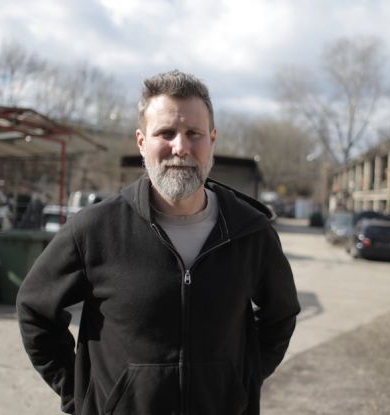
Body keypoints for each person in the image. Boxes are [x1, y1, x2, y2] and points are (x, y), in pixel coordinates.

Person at [17, 69, 300, 415]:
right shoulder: (94, 230)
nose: (180, 147)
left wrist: (241, 382)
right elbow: (35, 310)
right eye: (165, 133)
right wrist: (83, 395)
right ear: (141, 142)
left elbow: (280, 315)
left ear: (212, 139)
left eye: (193, 133)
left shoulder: (251, 231)